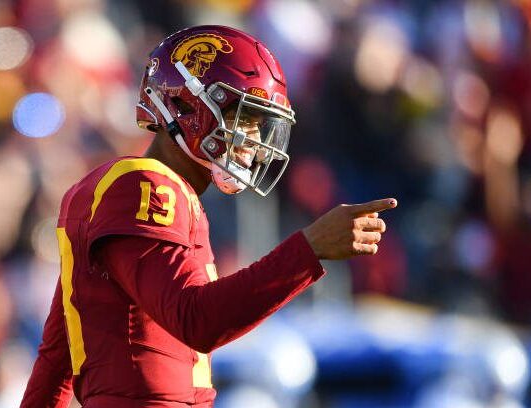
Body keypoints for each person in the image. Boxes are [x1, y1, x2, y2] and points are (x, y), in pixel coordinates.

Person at [20, 25, 397, 408]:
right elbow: (196, 319)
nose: (252, 138)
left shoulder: (153, 190)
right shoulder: (145, 185)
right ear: (187, 105)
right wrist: (308, 250)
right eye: (243, 117)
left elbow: (58, 355)